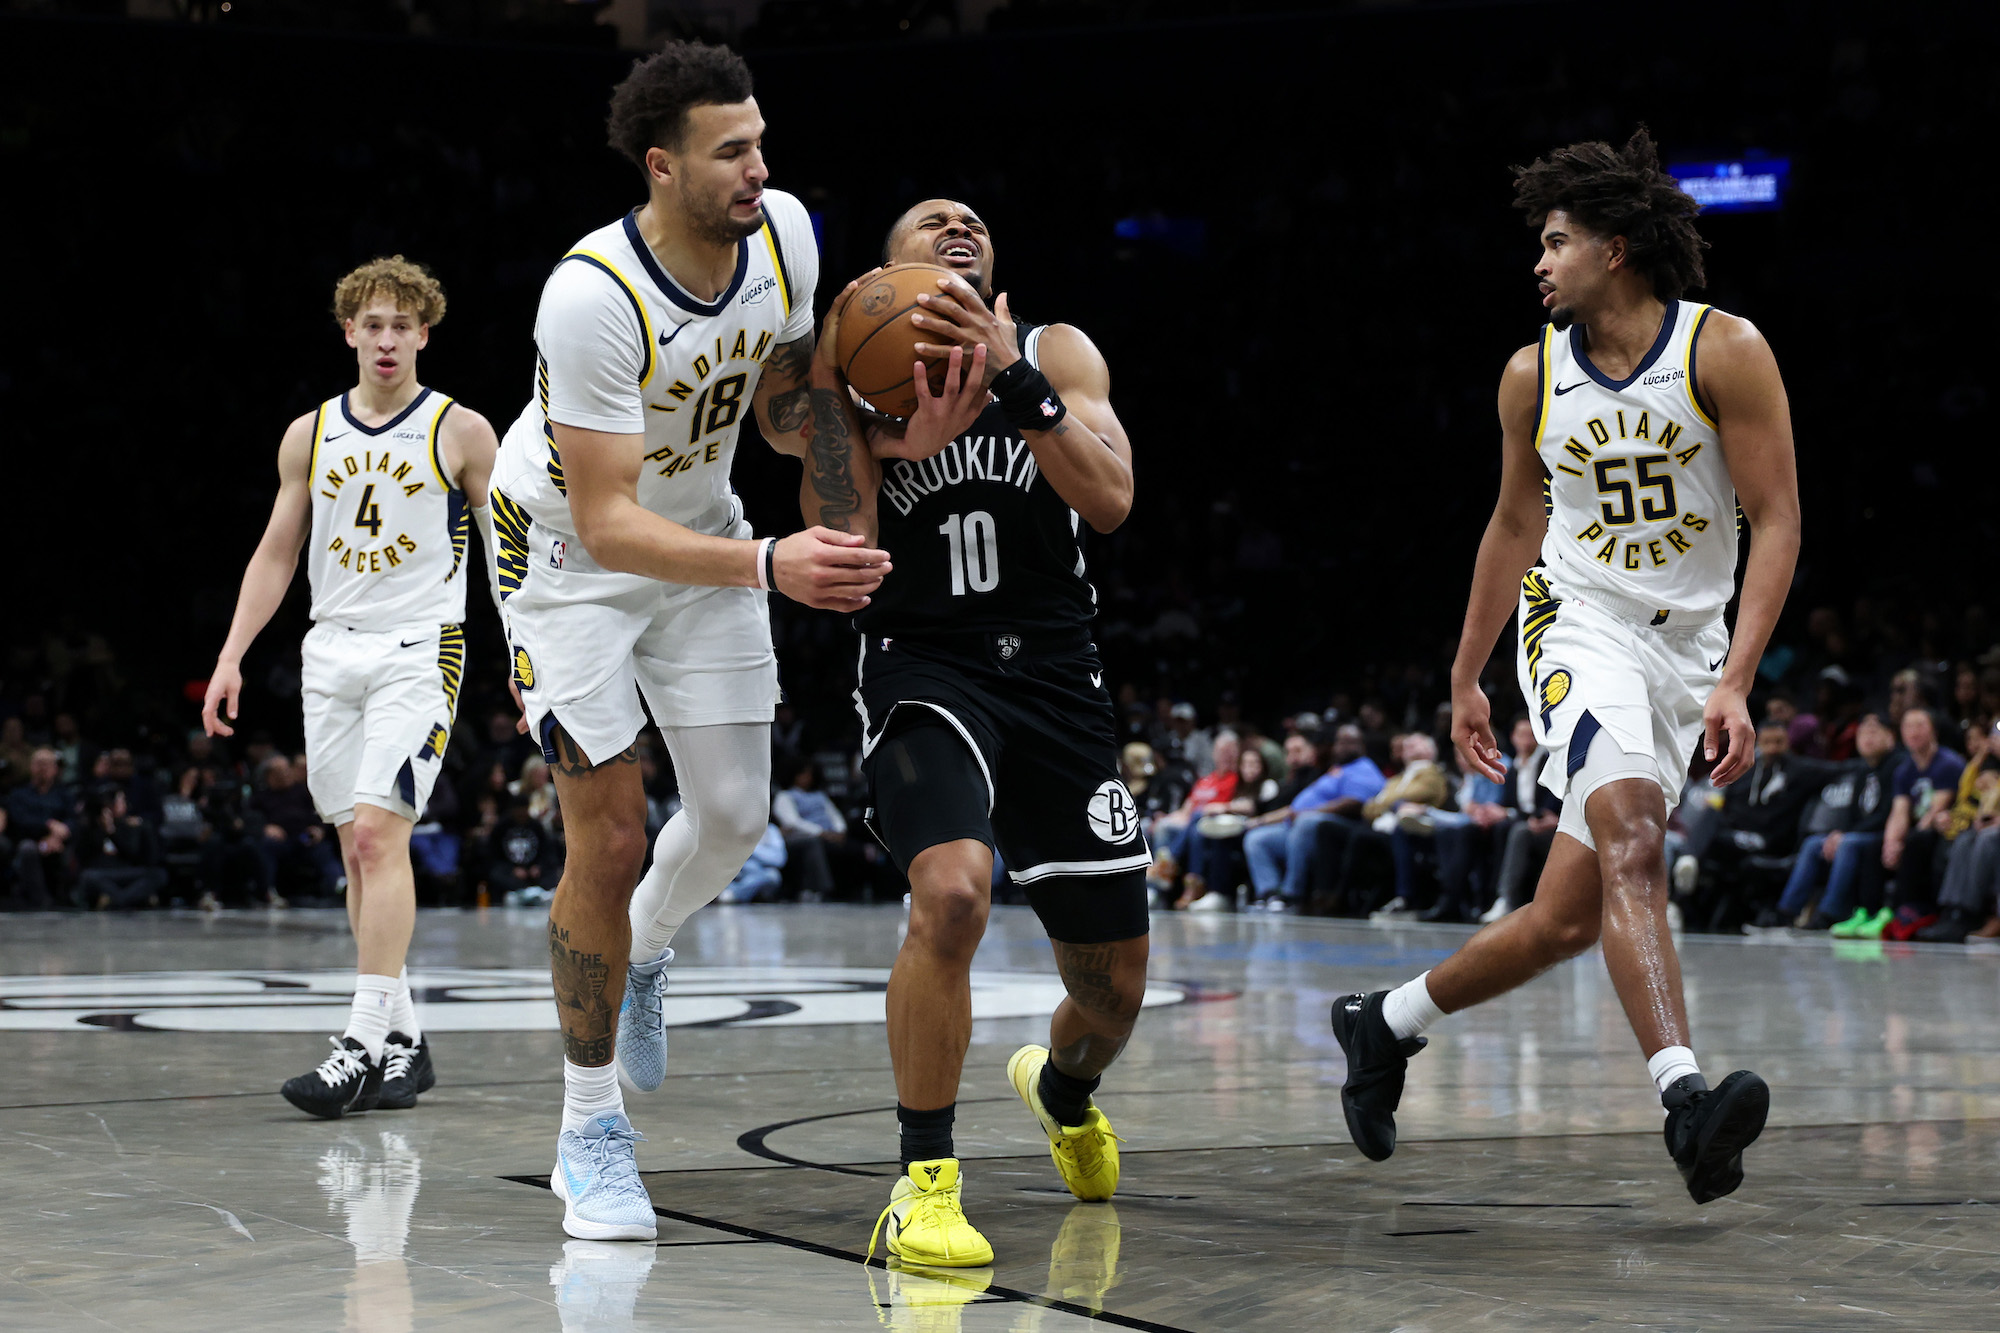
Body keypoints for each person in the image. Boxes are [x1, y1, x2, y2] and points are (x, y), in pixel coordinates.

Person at [1332, 129, 1801, 1205]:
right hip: (1575, 622)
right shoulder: (1527, 375)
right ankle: (1685, 1104)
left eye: (1554, 241)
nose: (1537, 263)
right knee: (1632, 835)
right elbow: (1509, 525)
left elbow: (1775, 521)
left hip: (1684, 648)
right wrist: (1464, 677)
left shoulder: (1722, 350)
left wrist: (1732, 677)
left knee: (1565, 918)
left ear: (1616, 248)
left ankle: (1381, 1023)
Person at [487, 42, 885, 1241]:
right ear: (662, 168)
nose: (759, 168)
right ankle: (588, 1130)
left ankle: (649, 951)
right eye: (731, 151)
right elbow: (608, 521)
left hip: (702, 529)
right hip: (563, 563)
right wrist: (774, 564)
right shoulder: (590, 295)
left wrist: (845, 500)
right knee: (607, 839)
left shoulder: (786, 238)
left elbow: (779, 402)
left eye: (760, 142)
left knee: (731, 819)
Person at [843, 196, 1141, 1267]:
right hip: (926, 665)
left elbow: (1109, 501)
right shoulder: (852, 369)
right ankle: (923, 1184)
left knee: (1110, 991)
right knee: (954, 890)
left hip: (1056, 674)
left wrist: (1016, 382)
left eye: (970, 219)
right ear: (887, 276)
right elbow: (842, 547)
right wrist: (880, 443)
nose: (957, 224)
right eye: (929, 222)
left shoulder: (1055, 349)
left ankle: (1060, 1089)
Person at [204, 256, 499, 1119]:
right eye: (371, 323)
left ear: (424, 334)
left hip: (421, 646)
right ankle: (406, 1036)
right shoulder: (310, 433)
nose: (385, 338)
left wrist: (529, 661)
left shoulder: (461, 430)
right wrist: (231, 654)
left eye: (401, 324)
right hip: (329, 651)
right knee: (356, 855)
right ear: (348, 332)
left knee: (378, 837)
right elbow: (275, 553)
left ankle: (360, 1044)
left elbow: (501, 555)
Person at [1242, 724, 1385, 911]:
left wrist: (1314, 812)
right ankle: (1269, 893)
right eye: (1339, 742)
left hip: (1334, 826)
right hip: (1297, 827)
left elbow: (1355, 802)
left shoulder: (1364, 768)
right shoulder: (1335, 770)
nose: (1342, 747)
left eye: (1349, 742)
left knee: (1305, 822)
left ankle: (1292, 893)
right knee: (1257, 839)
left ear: (1361, 745)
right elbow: (1293, 810)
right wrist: (1261, 821)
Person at [1778, 709, 1897, 931]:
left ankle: (1830, 912)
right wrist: (1838, 833)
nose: (1867, 738)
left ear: (1891, 737)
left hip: (1886, 833)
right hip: (1859, 833)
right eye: (1863, 733)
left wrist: (1846, 835)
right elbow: (1853, 815)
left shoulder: (1896, 766)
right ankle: (1786, 912)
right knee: (1814, 844)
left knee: (1847, 844)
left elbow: (1887, 814)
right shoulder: (1861, 769)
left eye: (1874, 732)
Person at [771, 757, 849, 901]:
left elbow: (834, 815)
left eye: (810, 773)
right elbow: (792, 822)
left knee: (857, 848)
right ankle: (822, 889)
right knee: (813, 844)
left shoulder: (819, 796)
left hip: (827, 836)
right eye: (803, 773)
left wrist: (840, 831)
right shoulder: (785, 796)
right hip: (798, 838)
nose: (808, 777)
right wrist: (821, 832)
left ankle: (853, 890)